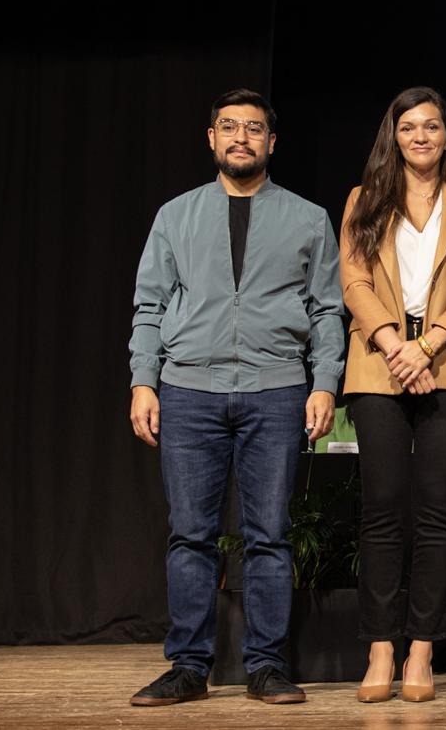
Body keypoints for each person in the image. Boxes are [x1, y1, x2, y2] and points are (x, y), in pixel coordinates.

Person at [128, 88, 345, 707]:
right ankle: (188, 668)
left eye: (254, 128)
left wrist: (323, 383)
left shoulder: (307, 218)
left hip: (276, 389)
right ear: (212, 138)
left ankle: (267, 666)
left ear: (271, 142)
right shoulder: (175, 216)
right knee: (190, 534)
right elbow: (149, 306)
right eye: (230, 127)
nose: (241, 137)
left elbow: (328, 312)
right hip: (189, 389)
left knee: (269, 535)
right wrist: (144, 379)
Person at [339, 86, 446, 704]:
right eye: (409, 128)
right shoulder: (363, 200)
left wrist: (424, 347)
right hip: (378, 363)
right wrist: (393, 345)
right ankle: (380, 649)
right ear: (394, 136)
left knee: (435, 509)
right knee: (381, 509)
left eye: (432, 126)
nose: (421, 137)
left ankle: (421, 653)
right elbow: (353, 279)